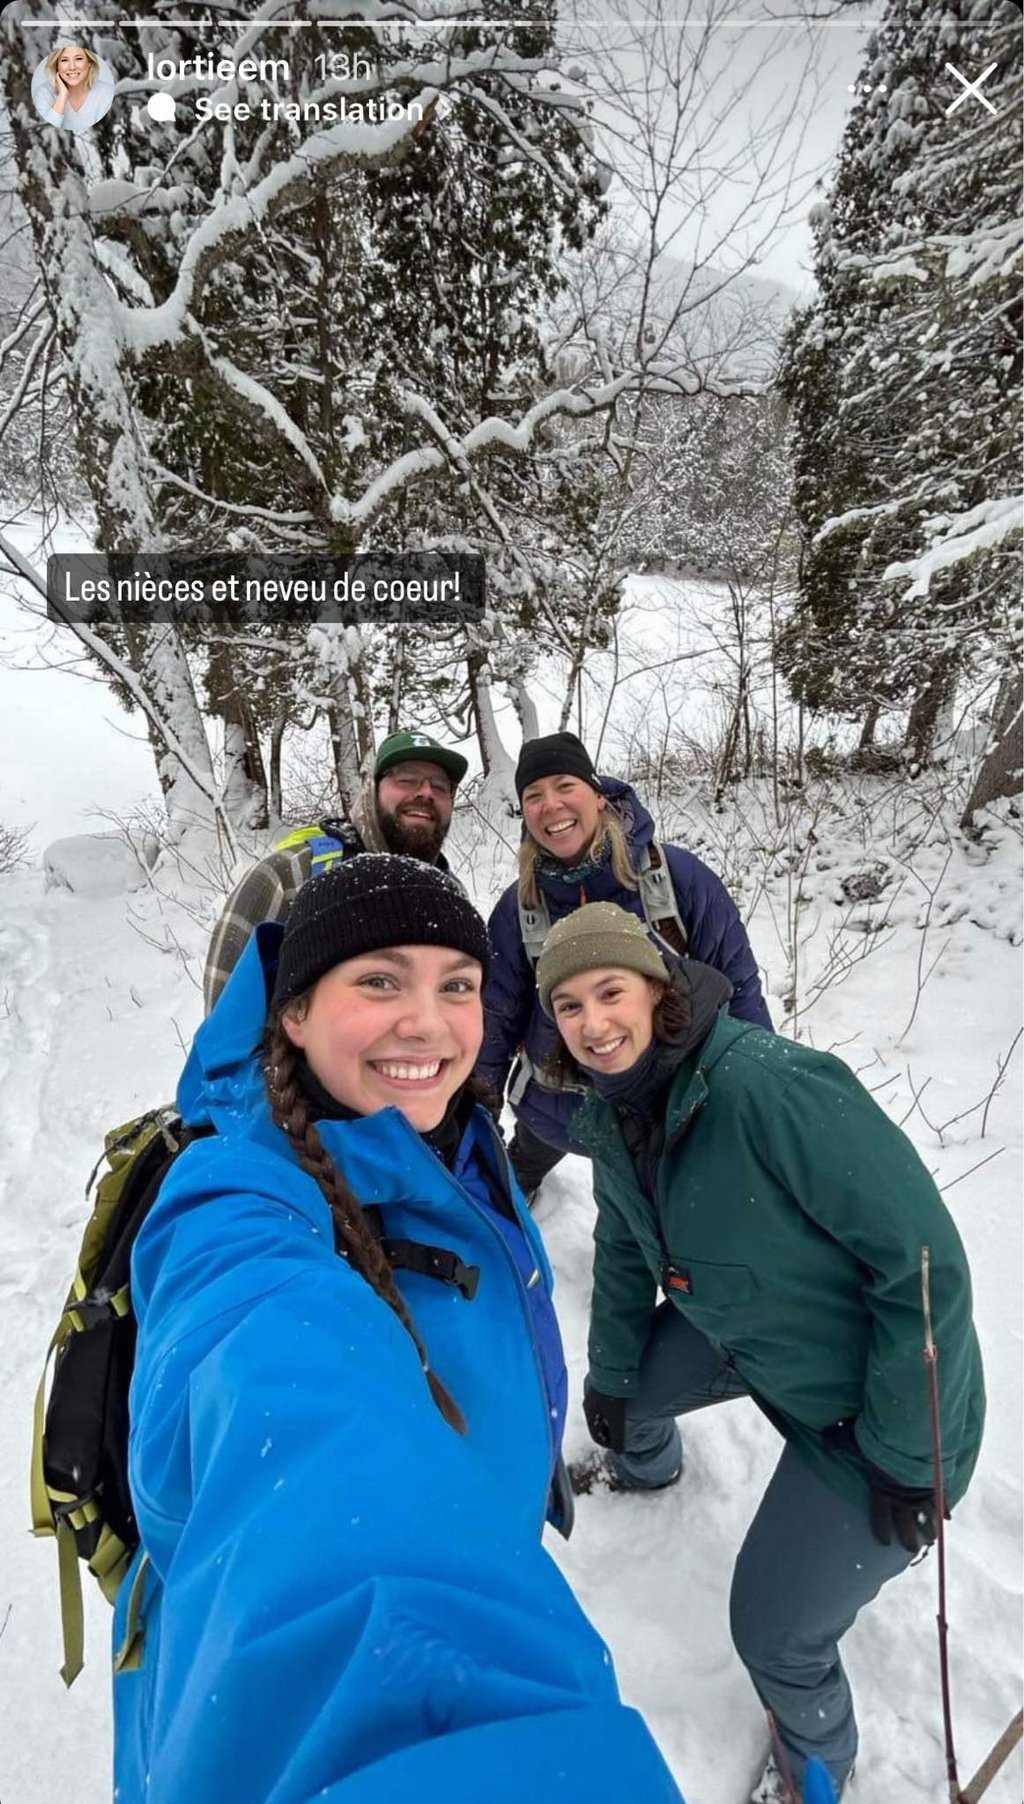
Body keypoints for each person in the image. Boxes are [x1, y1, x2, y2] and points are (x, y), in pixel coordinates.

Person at [114, 859, 683, 1803]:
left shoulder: (444, 1130)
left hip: (483, 1527)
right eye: (379, 980)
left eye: (456, 985)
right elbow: (300, 1441)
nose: (427, 1021)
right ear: (292, 1013)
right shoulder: (235, 1200)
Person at [536, 901, 985, 1804]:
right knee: (627, 1402)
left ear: (659, 990)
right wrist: (616, 1381)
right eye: (569, 1007)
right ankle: (649, 1471)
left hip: (876, 1415)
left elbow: (923, 1264)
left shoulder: (768, 1087)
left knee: (772, 1629)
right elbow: (625, 1245)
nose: (592, 1024)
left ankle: (815, 1768)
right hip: (746, 1328)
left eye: (610, 991)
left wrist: (908, 1457)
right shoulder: (614, 1115)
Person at [479, 731, 772, 1199]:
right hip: (554, 1108)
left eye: (564, 786)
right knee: (527, 1159)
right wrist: (476, 1120)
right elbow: (493, 1022)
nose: (550, 805)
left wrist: (759, 1105)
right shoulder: (520, 907)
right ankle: (519, 1190)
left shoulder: (676, 880)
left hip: (665, 1105)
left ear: (598, 795)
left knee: (654, 1210)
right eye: (533, 795)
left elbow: (738, 991)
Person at [204, 729, 468, 1012]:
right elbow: (225, 1029)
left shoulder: (452, 895)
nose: (426, 792)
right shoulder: (290, 875)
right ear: (372, 790)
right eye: (407, 779)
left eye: (440, 786)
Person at [31, 43, 114, 133]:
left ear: (89, 63)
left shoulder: (105, 92)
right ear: (56, 65)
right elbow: (52, 127)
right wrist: (62, 96)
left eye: (78, 59)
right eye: (64, 60)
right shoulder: (44, 93)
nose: (72, 67)